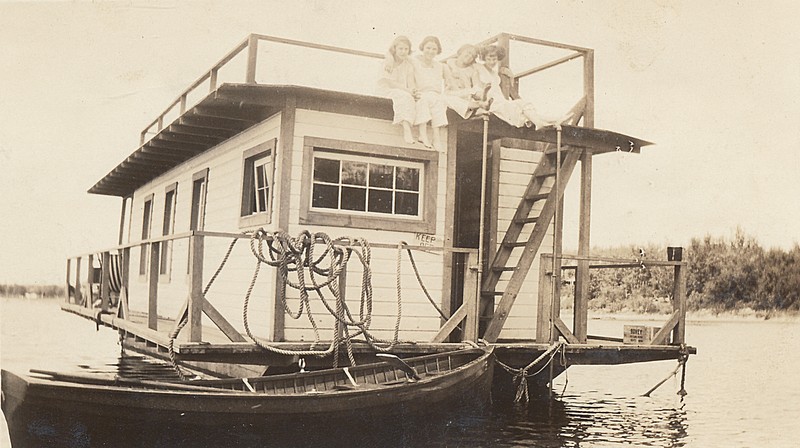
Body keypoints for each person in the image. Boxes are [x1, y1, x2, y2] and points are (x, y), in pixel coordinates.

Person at [476, 45, 571, 129]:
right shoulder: (479, 68)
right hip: (489, 103)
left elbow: (498, 88)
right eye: (489, 59)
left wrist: (507, 73)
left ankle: (548, 121)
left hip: (499, 101)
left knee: (521, 106)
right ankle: (553, 120)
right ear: (484, 58)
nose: (492, 62)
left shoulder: (495, 74)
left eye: (494, 59)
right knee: (519, 106)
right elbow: (477, 89)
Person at [377, 36, 417, 144]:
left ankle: (408, 126)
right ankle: (406, 129)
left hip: (402, 92)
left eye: (406, 49)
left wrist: (413, 91)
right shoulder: (388, 62)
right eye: (401, 49)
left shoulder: (408, 65)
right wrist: (407, 91)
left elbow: (411, 83)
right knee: (403, 95)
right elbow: (389, 82)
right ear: (395, 48)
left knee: (410, 97)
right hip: (386, 90)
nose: (403, 52)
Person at [410, 36, 448, 150]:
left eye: (434, 49)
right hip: (420, 92)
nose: (430, 51)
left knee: (440, 102)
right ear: (423, 47)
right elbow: (409, 77)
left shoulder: (439, 66)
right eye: (428, 48)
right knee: (424, 100)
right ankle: (423, 134)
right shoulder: (414, 61)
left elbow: (450, 81)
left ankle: (436, 139)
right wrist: (412, 91)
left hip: (435, 94)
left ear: (437, 51)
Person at [442, 44, 492, 119]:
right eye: (468, 52)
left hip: (465, 95)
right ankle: (479, 105)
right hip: (451, 95)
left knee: (476, 90)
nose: (470, 56)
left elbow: (476, 87)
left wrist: (483, 93)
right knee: (445, 98)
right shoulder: (447, 65)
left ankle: (483, 98)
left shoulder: (472, 71)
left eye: (473, 56)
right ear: (461, 51)